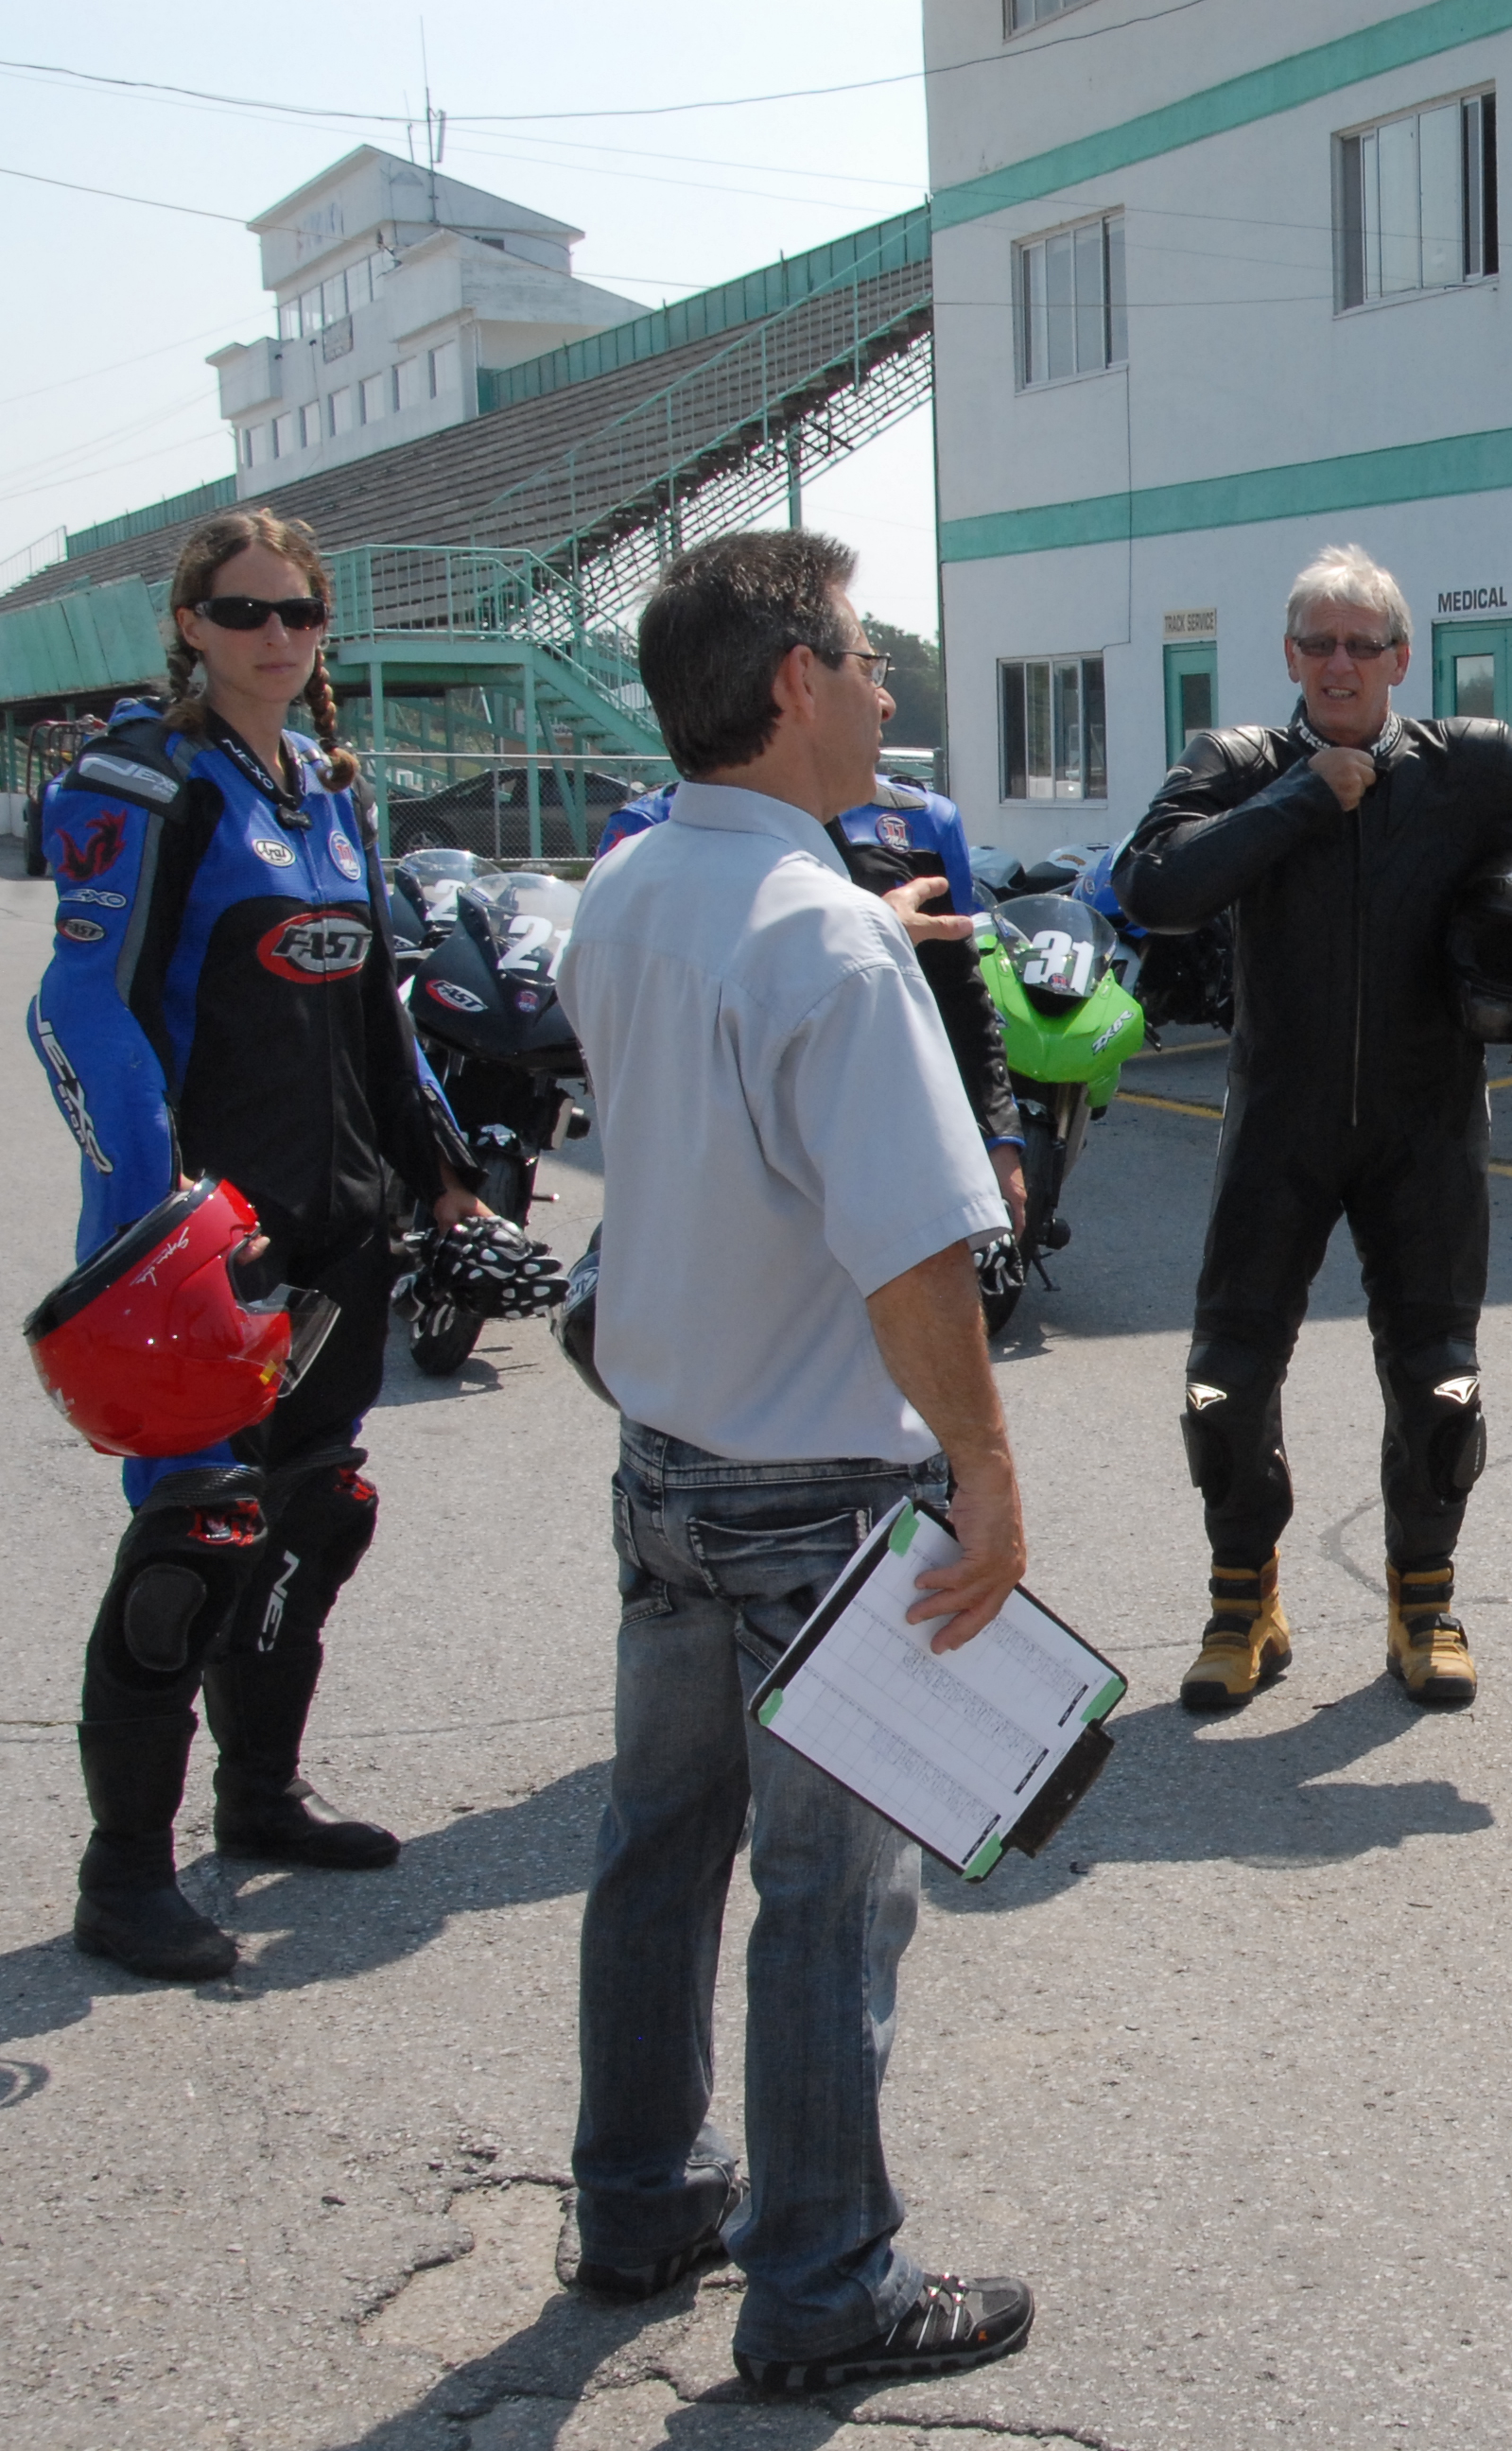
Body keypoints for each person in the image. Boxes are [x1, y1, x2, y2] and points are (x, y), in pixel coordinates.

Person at [557, 531, 1036, 2394]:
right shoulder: (823, 932)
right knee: (831, 1900)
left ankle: (635, 2198)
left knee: (656, 1847)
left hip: (667, 1462)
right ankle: (826, 2282)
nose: (884, 687)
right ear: (789, 684)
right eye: (860, 656)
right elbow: (916, 1256)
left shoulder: (626, 886)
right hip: (819, 1488)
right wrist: (987, 1476)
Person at [26, 509, 497, 1982]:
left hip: (341, 1228)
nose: (275, 636)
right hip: (206, 1250)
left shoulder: (332, 789)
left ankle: (262, 1793)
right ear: (190, 625)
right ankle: (123, 1876)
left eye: (297, 611)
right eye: (242, 612)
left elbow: (375, 1014)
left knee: (312, 1516)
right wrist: (148, 1220)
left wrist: (444, 1178)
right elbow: (79, 1010)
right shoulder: (144, 785)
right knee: (193, 1544)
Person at [1121, 545, 1512, 1711]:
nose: (1340, 664)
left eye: (1361, 644)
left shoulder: (1467, 764)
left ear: (1399, 658)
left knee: (1438, 1385)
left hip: (1425, 1122)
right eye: (1318, 644)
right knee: (1224, 1382)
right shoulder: (1236, 763)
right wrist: (1300, 794)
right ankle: (1241, 1604)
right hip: (1278, 1120)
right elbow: (1155, 887)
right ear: (1289, 656)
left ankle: (1423, 1606)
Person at [601, 733, 1030, 1240]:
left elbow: (961, 991)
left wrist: (999, 1135)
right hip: (708, 1165)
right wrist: (865, 937)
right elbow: (627, 1011)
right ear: (798, 693)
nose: (885, 703)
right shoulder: (646, 827)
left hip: (889, 1132)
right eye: (867, 682)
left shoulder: (925, 818)